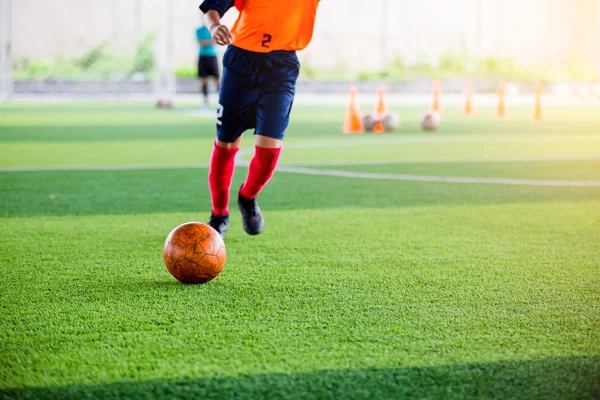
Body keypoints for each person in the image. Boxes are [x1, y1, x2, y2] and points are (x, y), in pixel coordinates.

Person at [200, 0, 320, 238]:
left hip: (281, 68)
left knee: (269, 149)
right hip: (241, 65)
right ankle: (219, 215)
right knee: (226, 144)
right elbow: (211, 8)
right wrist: (214, 27)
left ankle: (247, 197)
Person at [196, 23, 220, 108]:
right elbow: (201, 43)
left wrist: (208, 42)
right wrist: (211, 41)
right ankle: (205, 101)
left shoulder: (214, 28)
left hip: (213, 56)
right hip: (202, 57)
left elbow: (216, 40)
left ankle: (221, 100)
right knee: (203, 80)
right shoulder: (199, 30)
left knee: (217, 79)